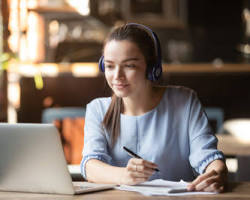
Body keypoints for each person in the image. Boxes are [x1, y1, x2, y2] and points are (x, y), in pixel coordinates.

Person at [80, 23, 228, 193]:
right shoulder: (97, 109)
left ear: (152, 68)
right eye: (110, 66)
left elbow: (207, 156)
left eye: (129, 65)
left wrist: (217, 172)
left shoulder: (184, 101)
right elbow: (90, 166)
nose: (117, 76)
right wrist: (125, 176)